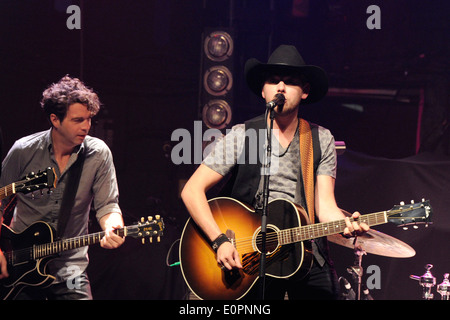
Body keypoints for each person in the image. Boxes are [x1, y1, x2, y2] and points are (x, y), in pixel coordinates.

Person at [181, 45, 369, 300]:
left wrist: (345, 223)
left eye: (290, 82)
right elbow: (192, 191)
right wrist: (219, 240)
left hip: (305, 252)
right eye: (273, 81)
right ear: (263, 90)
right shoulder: (242, 135)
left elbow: (325, 207)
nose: (280, 87)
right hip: (250, 256)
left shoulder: (319, 139)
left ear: (304, 92)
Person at [0, 75, 125, 300]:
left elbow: (108, 205)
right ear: (55, 120)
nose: (86, 126)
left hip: (71, 269)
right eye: (78, 120)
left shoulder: (98, 154)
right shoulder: (23, 151)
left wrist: (112, 227)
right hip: (19, 264)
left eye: (88, 119)